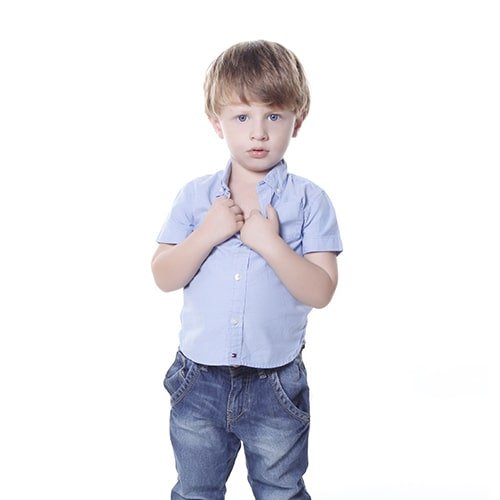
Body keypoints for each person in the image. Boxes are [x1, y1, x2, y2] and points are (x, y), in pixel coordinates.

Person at [151, 40, 343, 500]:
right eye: (241, 117)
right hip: (199, 379)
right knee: (195, 490)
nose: (258, 132)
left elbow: (320, 291)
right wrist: (207, 233)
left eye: (273, 116)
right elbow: (163, 276)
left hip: (274, 383)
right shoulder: (195, 198)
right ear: (216, 122)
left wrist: (270, 244)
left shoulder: (310, 201)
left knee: (280, 490)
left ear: (298, 121)